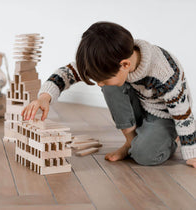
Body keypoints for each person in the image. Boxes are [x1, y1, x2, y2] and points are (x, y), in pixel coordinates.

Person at [21, 21, 196, 168]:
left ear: (125, 65)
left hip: (166, 117)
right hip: (141, 105)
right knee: (111, 86)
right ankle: (130, 142)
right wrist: (44, 97)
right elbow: (67, 73)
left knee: (144, 155)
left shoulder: (165, 72)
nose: (99, 84)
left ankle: (169, 141)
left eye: (102, 79)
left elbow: (183, 114)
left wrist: (190, 154)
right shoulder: (109, 59)